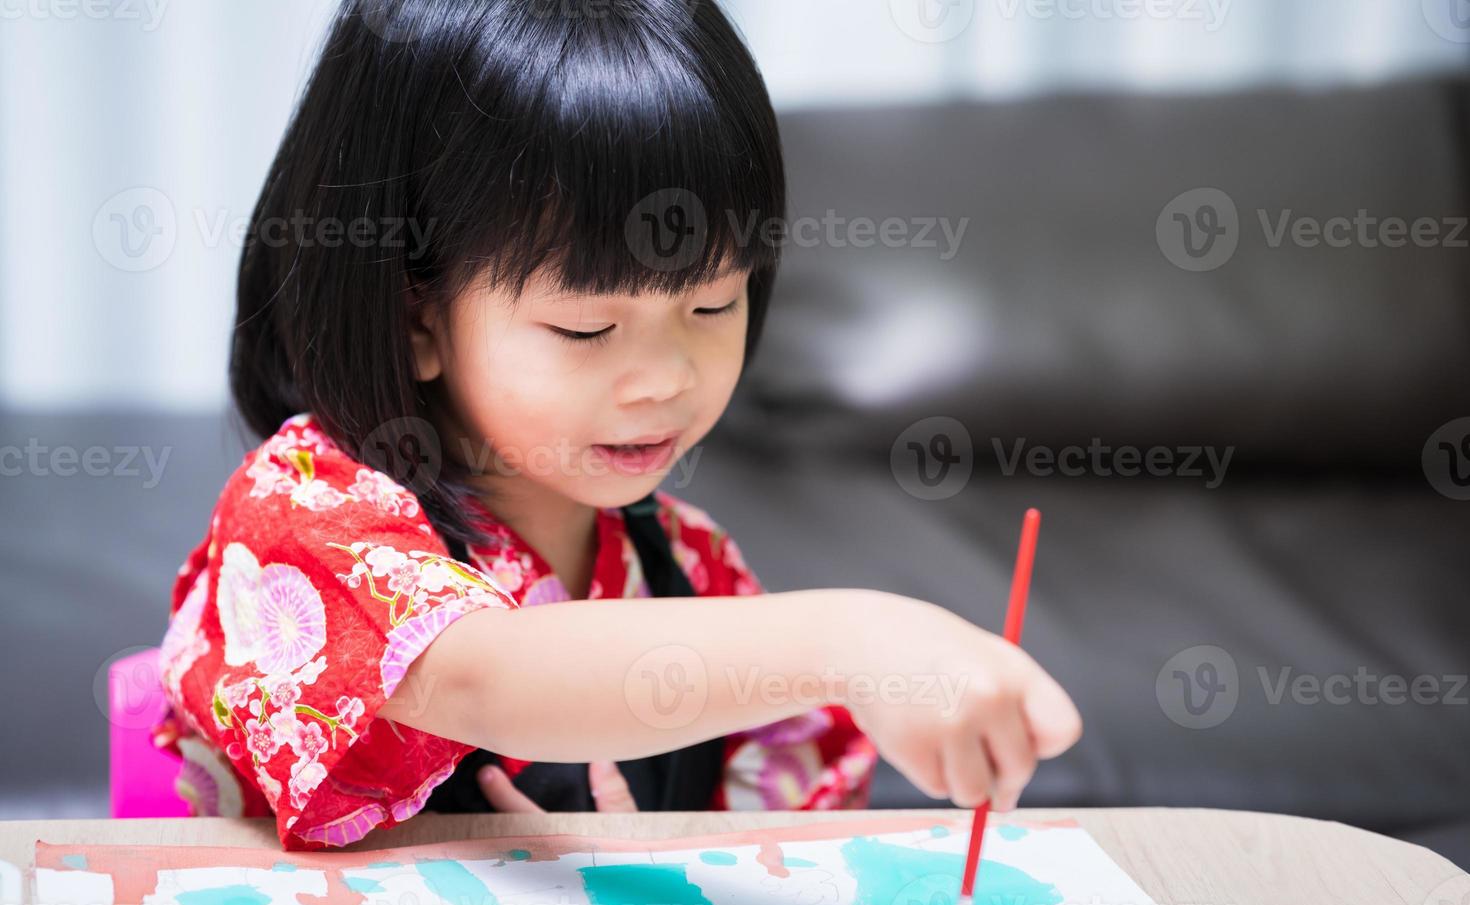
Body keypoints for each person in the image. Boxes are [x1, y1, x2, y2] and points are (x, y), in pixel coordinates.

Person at [151, 0, 1082, 851]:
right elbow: (483, 678)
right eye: (588, 328)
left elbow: (760, 859)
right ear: (416, 317)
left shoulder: (691, 570)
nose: (666, 379)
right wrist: (854, 641)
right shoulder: (307, 511)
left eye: (712, 307)